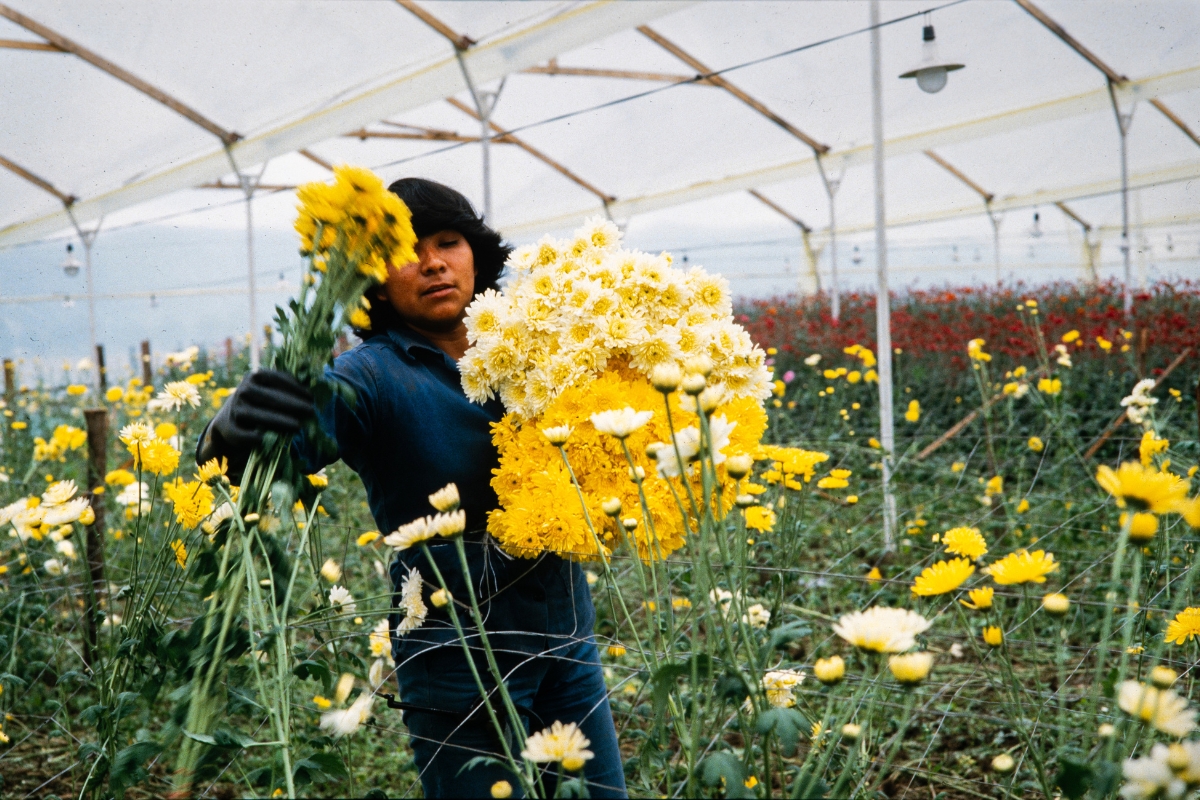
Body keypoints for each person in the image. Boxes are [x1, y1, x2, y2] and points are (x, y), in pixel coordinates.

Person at [196, 178, 626, 798]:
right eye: (406, 253)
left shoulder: (537, 347)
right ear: (374, 279)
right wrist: (231, 430)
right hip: (456, 644)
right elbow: (268, 465)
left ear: (475, 253)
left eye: (448, 242)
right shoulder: (366, 375)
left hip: (565, 631)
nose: (431, 263)